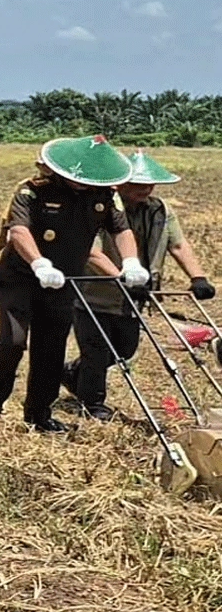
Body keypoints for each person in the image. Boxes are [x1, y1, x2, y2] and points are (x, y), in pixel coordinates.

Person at [0, 136, 149, 432]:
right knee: (13, 339)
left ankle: (39, 415)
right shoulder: (32, 191)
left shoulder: (105, 196)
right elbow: (19, 231)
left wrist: (131, 262)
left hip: (63, 283)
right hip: (18, 278)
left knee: (51, 346)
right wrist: (39, 263)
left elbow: (121, 230)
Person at [64, 151, 215, 420]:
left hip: (134, 299)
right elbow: (91, 251)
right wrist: (122, 276)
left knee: (124, 349)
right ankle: (93, 404)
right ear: (119, 184)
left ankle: (73, 373)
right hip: (94, 295)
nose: (146, 190)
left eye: (150, 185)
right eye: (138, 185)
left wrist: (198, 277)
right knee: (96, 351)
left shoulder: (161, 211)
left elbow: (178, 245)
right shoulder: (100, 209)